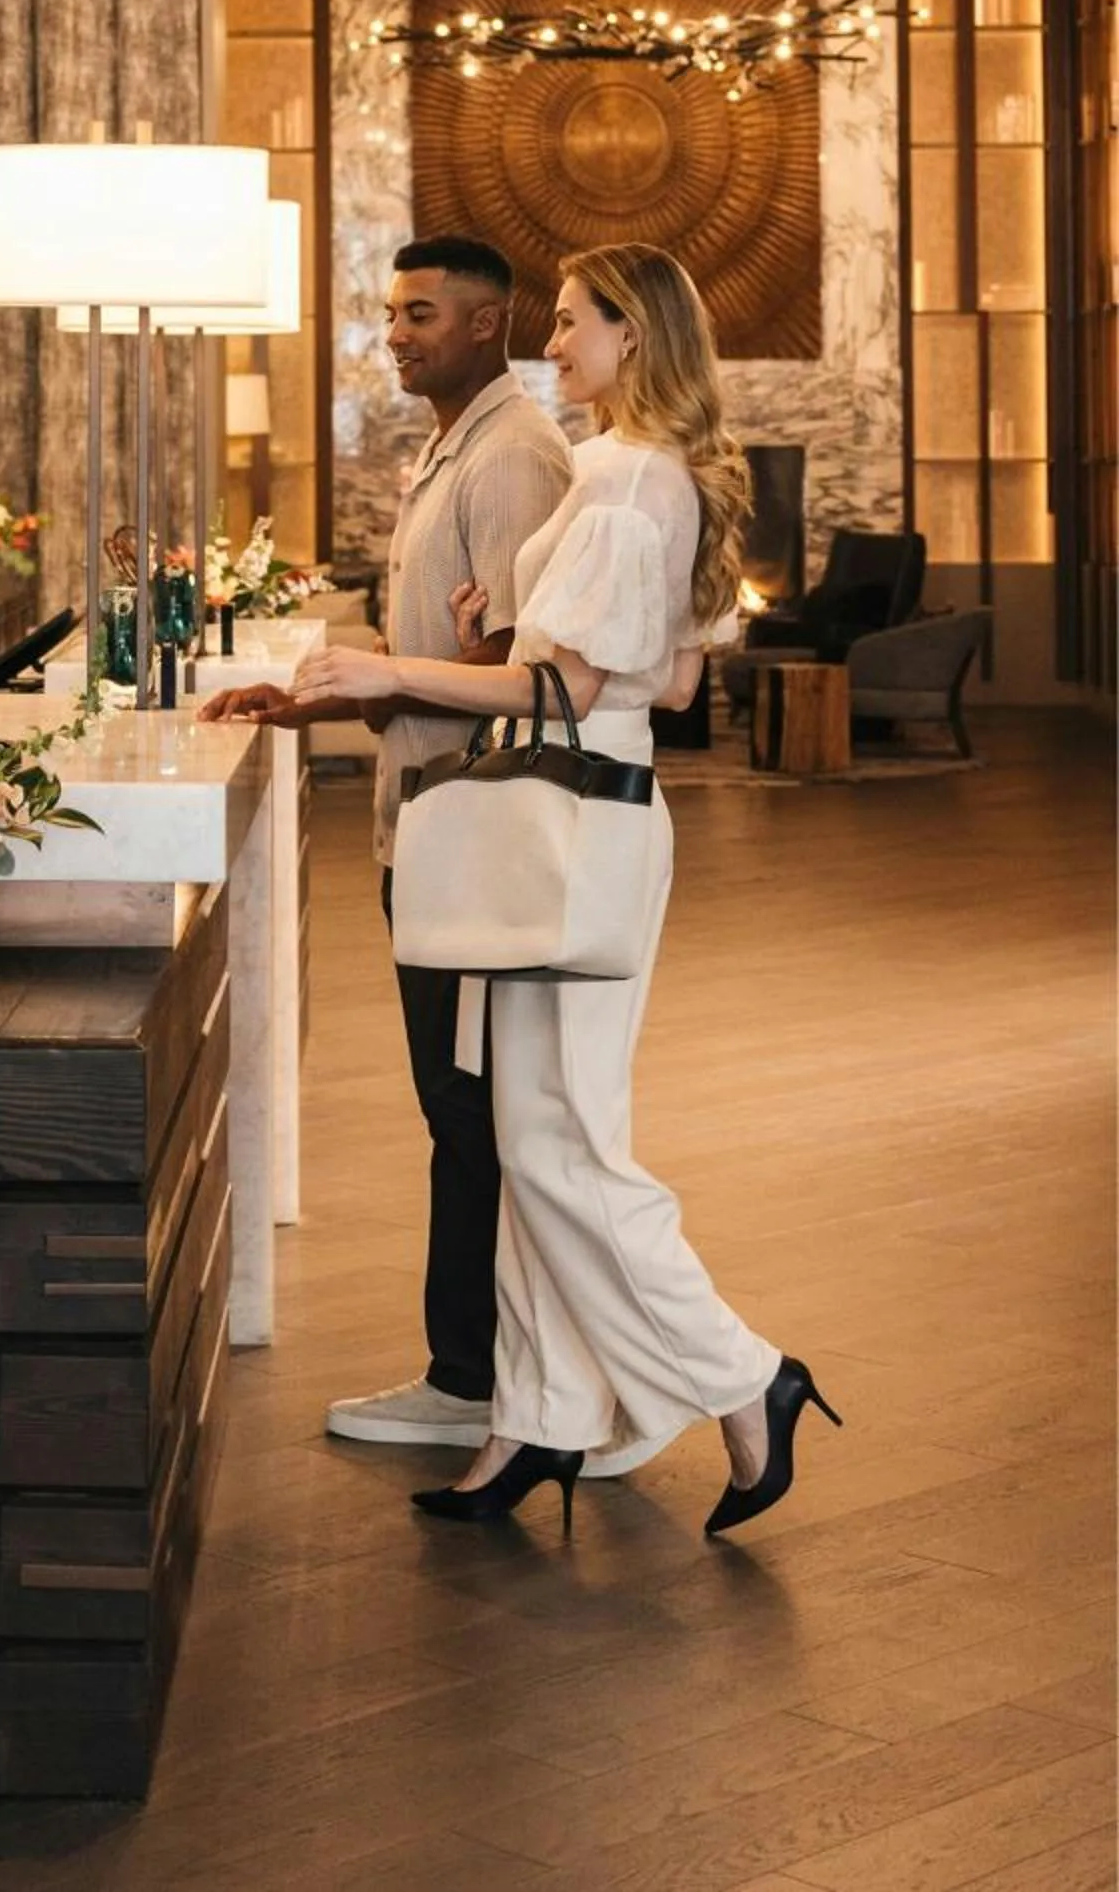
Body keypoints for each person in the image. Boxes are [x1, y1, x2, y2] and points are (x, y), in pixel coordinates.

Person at [297, 244, 839, 1540]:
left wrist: (396, 675)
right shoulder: (652, 481)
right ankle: (536, 1417)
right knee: (541, 1136)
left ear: (632, 338)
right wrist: (516, 619)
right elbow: (671, 687)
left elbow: (572, 694)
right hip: (600, 817)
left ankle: (741, 1373)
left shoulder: (613, 476)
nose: (556, 340)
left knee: (559, 1142)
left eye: (574, 319)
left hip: (565, 823)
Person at [205, 234, 589, 1458]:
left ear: (487, 325)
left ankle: (468, 1374)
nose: (395, 331)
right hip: (418, 816)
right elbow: (440, 651)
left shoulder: (517, 455)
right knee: (457, 1102)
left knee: (467, 1105)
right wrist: (306, 703)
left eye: (419, 313)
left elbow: (527, 674)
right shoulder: (448, 448)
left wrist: (374, 676)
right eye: (391, 310)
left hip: (471, 828)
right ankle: (486, 1367)